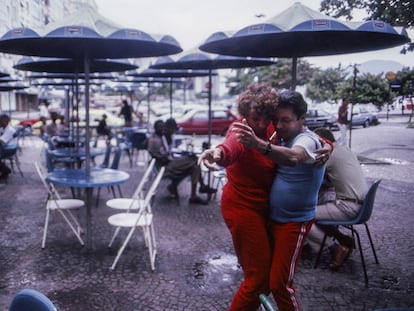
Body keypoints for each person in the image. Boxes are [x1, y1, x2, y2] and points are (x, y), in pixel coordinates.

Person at [232, 90, 326, 311]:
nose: (280, 125)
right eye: (277, 120)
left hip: (294, 223)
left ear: (303, 118)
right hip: (273, 220)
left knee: (280, 284)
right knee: (262, 278)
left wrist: (259, 145)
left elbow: (294, 156)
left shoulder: (306, 139)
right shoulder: (283, 136)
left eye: (286, 120)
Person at [198, 83, 278, 310]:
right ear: (244, 115)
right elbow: (230, 148)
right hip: (242, 208)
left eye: (266, 117)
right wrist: (217, 154)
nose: (261, 123)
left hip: (264, 209)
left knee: (265, 277)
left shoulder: (272, 128)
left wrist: (327, 146)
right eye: (255, 118)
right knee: (257, 279)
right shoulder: (240, 129)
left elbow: (302, 133)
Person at [306, 127, 368, 270]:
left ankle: (334, 248)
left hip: (348, 207)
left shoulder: (329, 154)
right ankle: (343, 239)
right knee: (320, 207)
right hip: (360, 205)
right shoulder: (345, 150)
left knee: (302, 215)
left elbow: (309, 177)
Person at [147, 118, 216, 205]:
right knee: (195, 159)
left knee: (194, 166)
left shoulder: (164, 137)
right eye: (160, 128)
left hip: (170, 162)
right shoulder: (155, 140)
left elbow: (168, 152)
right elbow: (157, 156)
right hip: (165, 167)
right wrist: (168, 157)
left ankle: (193, 196)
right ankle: (201, 186)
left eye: (163, 127)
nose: (162, 129)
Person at [0, 114, 17, 180]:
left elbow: (2, 141)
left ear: (6, 122)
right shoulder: (2, 128)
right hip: (4, 147)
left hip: (10, 149)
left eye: (0, 121)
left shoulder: (10, 130)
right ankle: (5, 170)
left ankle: (5, 171)